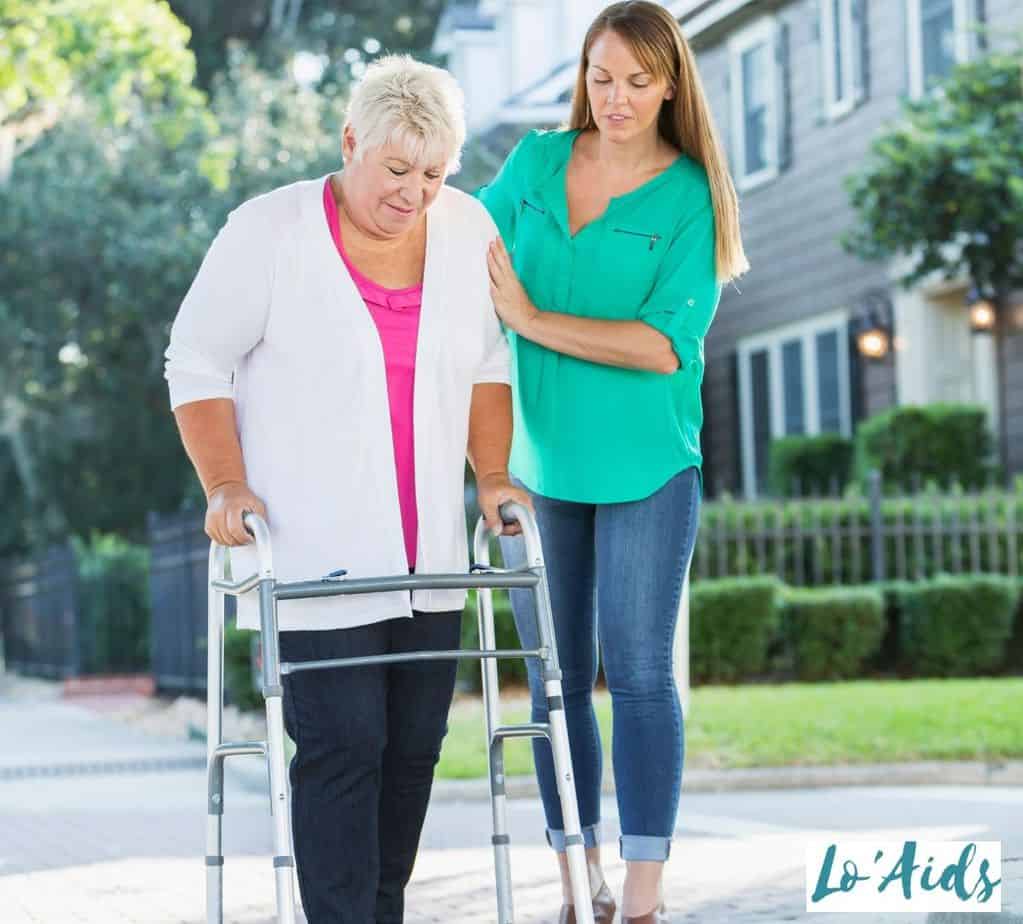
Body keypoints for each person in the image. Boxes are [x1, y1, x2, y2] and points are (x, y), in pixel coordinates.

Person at [165, 54, 529, 923]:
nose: (414, 193)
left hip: (428, 561)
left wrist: (490, 475)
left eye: (434, 174)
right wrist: (224, 483)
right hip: (311, 554)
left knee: (412, 751)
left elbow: (486, 362)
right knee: (343, 747)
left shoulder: (467, 228)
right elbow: (198, 359)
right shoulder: (270, 230)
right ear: (349, 141)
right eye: (396, 169)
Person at [475, 3, 749, 921]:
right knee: (555, 679)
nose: (617, 97)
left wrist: (532, 322)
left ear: (670, 81)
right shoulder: (534, 164)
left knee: (634, 673)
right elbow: (460, 262)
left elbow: (663, 346)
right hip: (536, 465)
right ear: (580, 75)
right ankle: (571, 878)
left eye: (637, 80)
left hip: (644, 467)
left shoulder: (691, 195)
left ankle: (639, 897)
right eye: (601, 76)